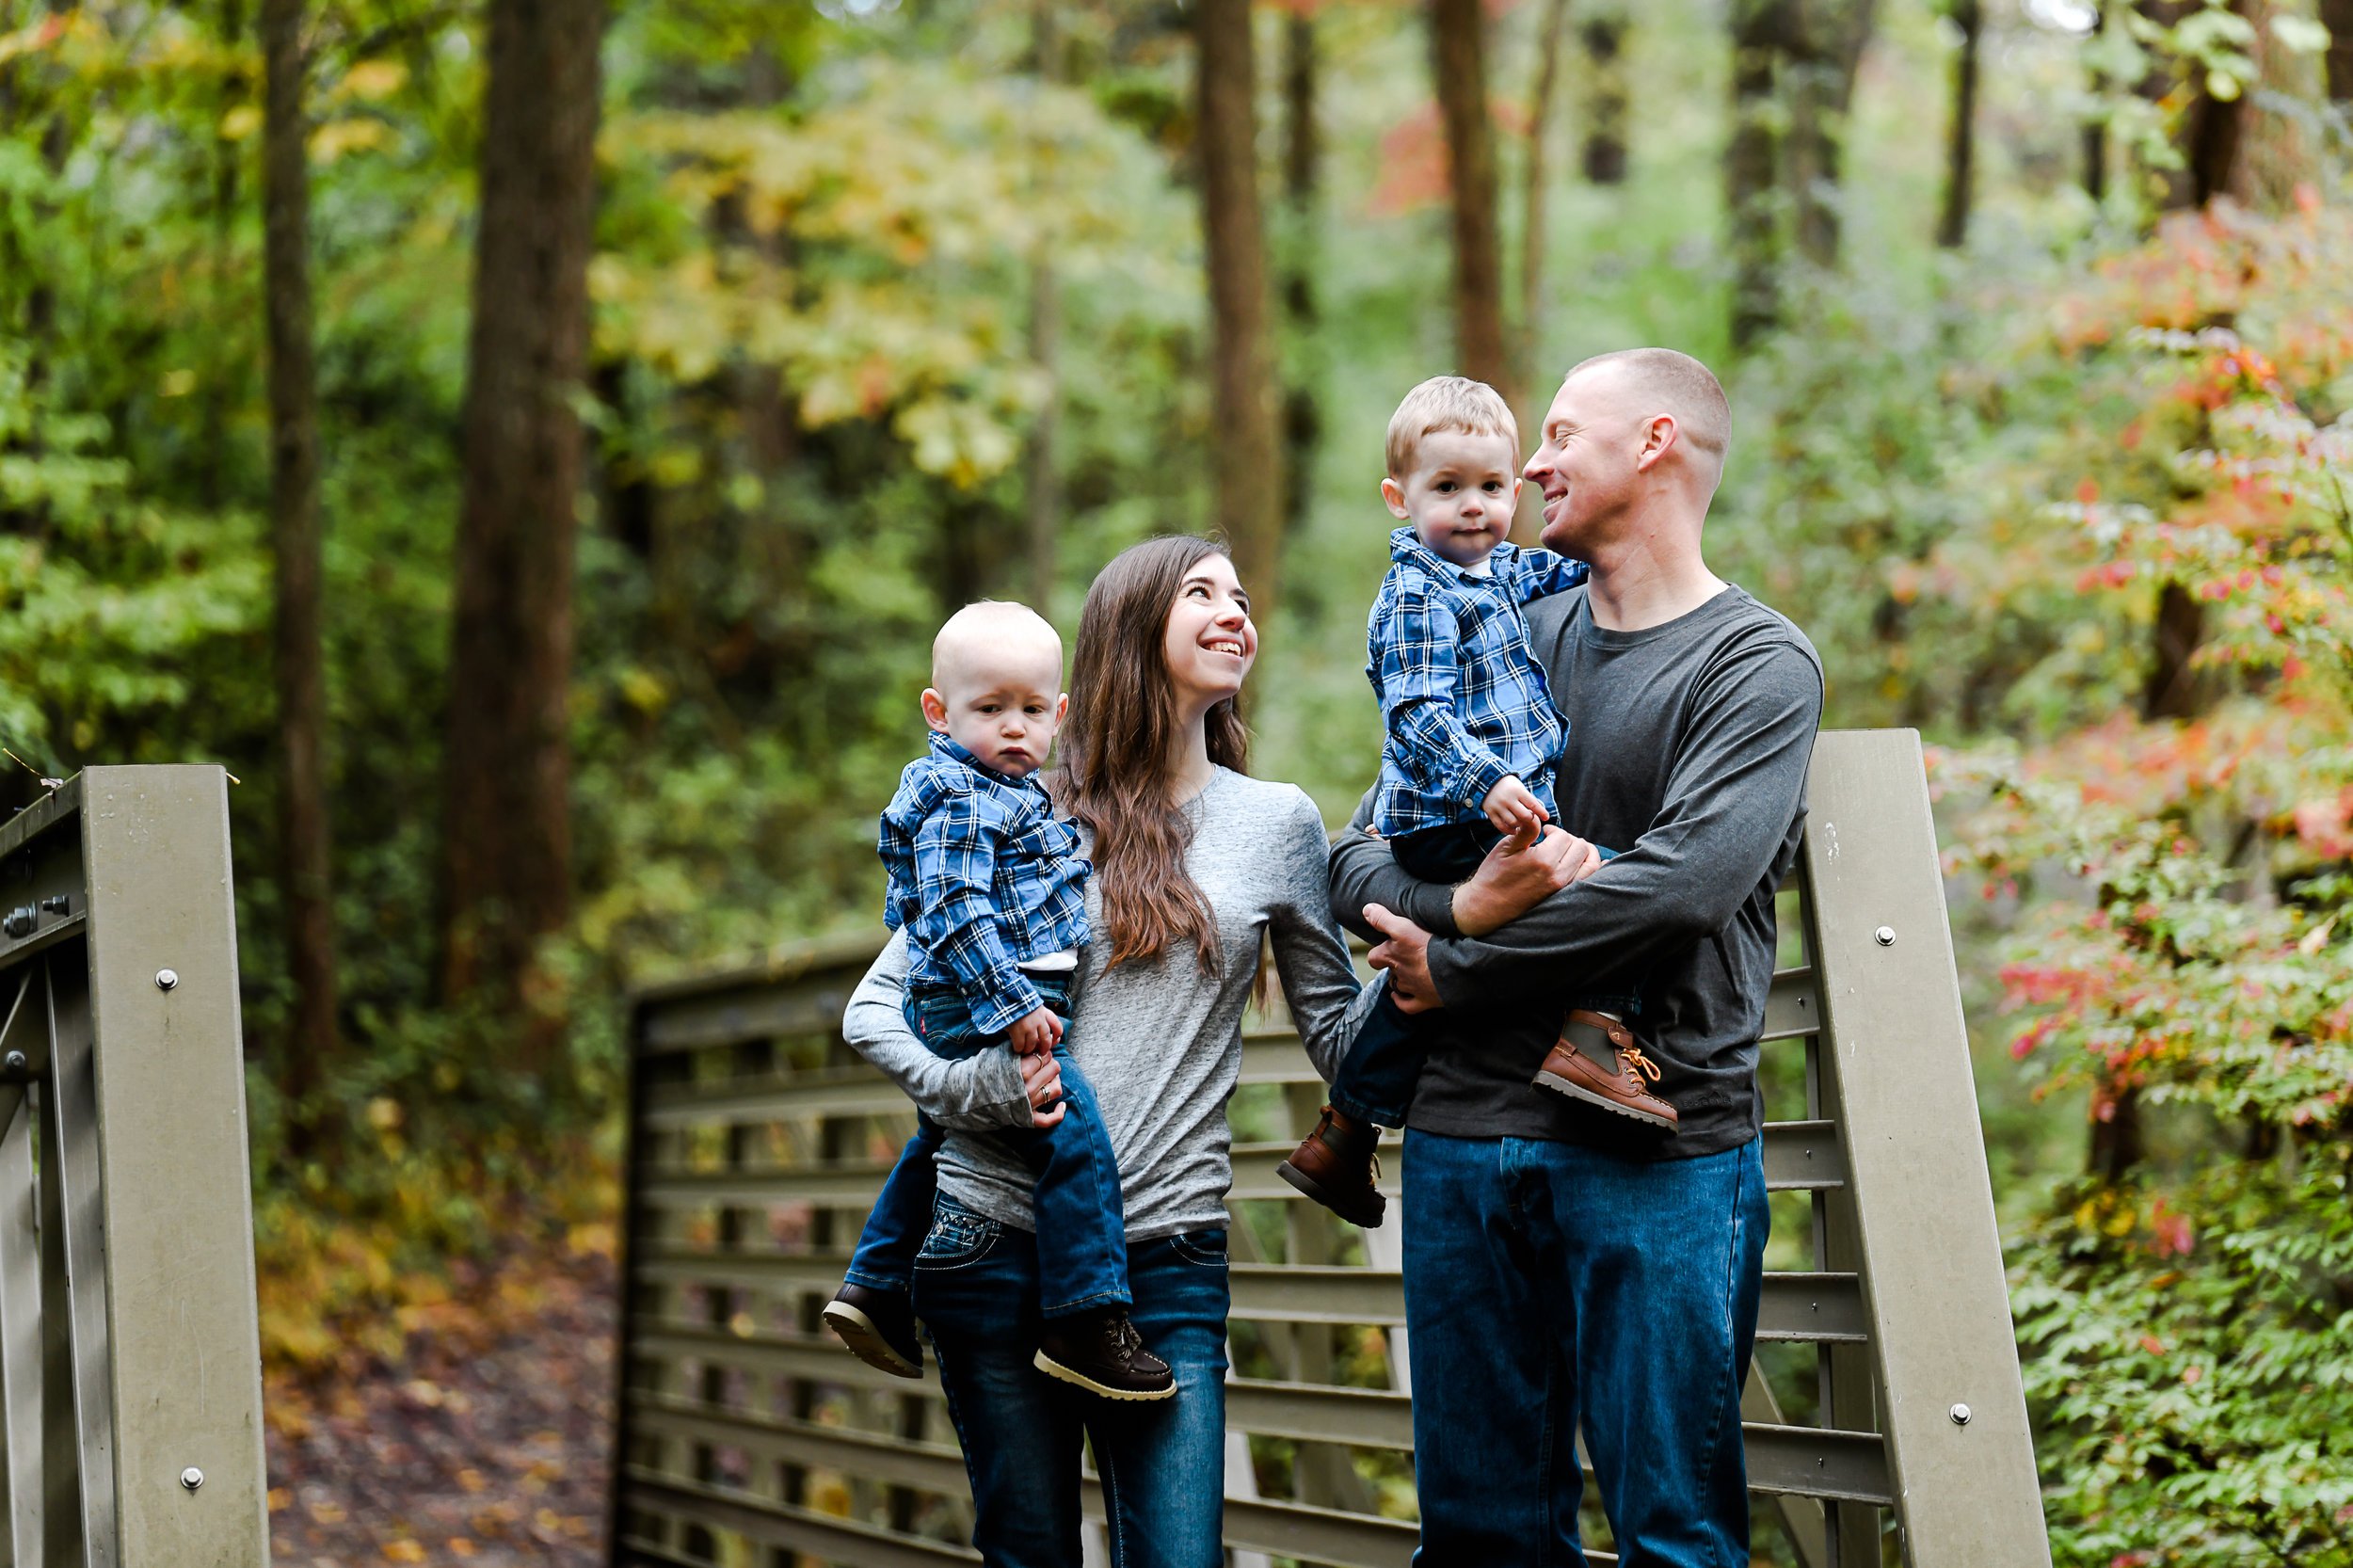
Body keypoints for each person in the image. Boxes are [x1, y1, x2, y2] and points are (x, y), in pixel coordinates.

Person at [1330, 349, 1824, 1566]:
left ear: (1653, 444)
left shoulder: (1756, 667)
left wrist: (1457, 961)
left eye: (1560, 433)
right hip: (1459, 1139)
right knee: (1482, 1541)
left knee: (1674, 1537)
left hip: (1657, 1150)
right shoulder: (1495, 619)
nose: (1532, 463)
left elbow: (1682, 888)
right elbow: (1353, 859)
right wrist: (1463, 904)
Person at [841, 536, 1381, 1568]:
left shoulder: (1277, 825)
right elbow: (874, 1009)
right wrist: (976, 1085)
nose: (1235, 610)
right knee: (1030, 1550)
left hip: (1170, 1260)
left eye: (1241, 591)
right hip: (993, 1242)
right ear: (1131, 628)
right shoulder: (1016, 801)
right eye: (1200, 592)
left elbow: (1340, 1042)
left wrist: (1440, 965)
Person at [1277, 375, 1660, 1234]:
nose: (1474, 508)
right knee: (1605, 891)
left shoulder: (1499, 572)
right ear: (1399, 496)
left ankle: (1345, 1129)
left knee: (1438, 959)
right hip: (1456, 813)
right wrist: (1486, 781)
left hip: (1488, 808)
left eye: (1491, 488)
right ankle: (1597, 1038)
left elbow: (1586, 563)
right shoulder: (1418, 591)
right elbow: (1416, 714)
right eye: (1446, 489)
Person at [823, 600, 1173, 1400]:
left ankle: (875, 1286)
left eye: (1029, 711)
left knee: (940, 1135)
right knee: (1072, 1134)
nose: (1012, 728)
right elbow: (950, 910)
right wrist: (1011, 1003)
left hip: (993, 997)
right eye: (988, 710)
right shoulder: (957, 795)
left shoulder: (1012, 793)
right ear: (938, 713)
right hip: (982, 1003)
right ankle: (1086, 1318)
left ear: (1060, 715)